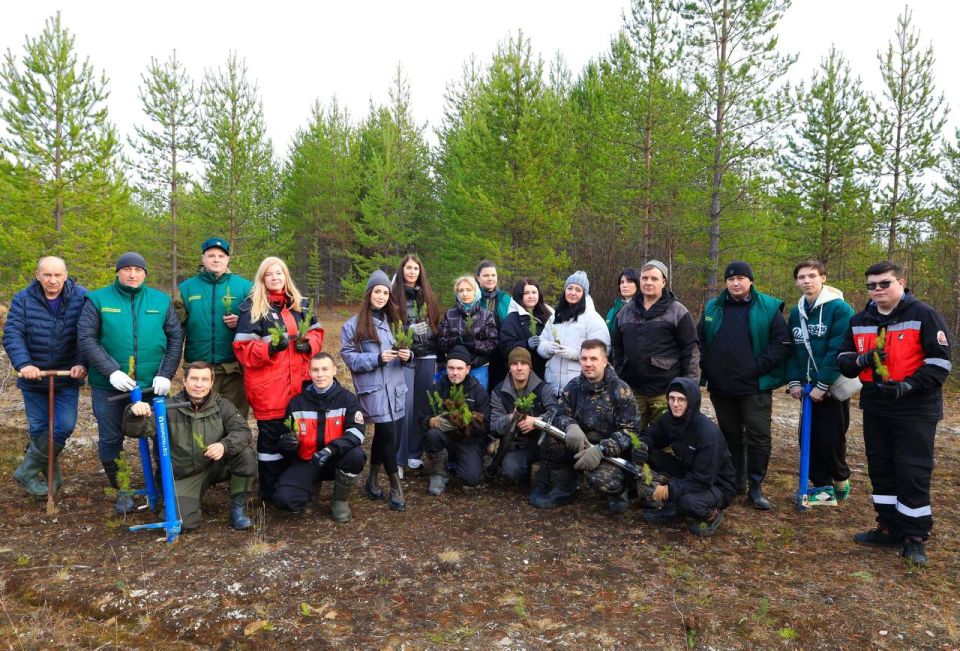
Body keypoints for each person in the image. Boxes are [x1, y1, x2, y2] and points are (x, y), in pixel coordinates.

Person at [837, 261, 952, 566]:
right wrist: (862, 359)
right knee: (881, 469)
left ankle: (914, 537)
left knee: (912, 472)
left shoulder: (923, 315)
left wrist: (909, 386)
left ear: (901, 282)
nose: (877, 290)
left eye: (884, 284)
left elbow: (940, 364)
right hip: (876, 406)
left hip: (915, 408)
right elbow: (844, 359)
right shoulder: (860, 320)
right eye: (871, 286)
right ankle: (888, 527)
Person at [77, 252, 183, 513]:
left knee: (161, 437)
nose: (132, 274)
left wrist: (166, 374)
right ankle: (121, 488)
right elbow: (87, 338)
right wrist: (111, 370)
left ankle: (163, 487)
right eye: (127, 269)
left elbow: (175, 338)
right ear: (118, 272)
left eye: (138, 269)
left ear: (145, 273)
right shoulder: (98, 299)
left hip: (151, 385)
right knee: (111, 439)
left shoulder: (160, 300)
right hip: (108, 386)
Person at [697, 261, 790, 510]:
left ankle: (756, 486)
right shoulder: (713, 307)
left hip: (754, 387)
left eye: (740, 278)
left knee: (759, 437)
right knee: (730, 436)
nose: (735, 283)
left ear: (750, 280)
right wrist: (709, 365)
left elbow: (781, 342)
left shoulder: (768, 307)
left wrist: (757, 368)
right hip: (721, 387)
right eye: (730, 279)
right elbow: (701, 338)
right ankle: (735, 480)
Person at [121, 361, 257, 530]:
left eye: (204, 379)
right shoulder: (168, 408)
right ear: (184, 381)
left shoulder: (222, 405)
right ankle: (188, 501)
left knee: (246, 453)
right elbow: (138, 430)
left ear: (211, 382)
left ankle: (238, 510)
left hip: (215, 465)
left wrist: (224, 446)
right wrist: (134, 413)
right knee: (182, 523)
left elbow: (243, 431)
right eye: (194, 379)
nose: (199, 384)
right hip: (184, 474)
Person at [233, 256, 324, 503]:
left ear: (286, 276)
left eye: (279, 273)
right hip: (269, 389)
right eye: (269, 274)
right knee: (271, 444)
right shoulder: (252, 309)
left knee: (300, 438)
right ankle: (269, 493)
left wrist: (309, 345)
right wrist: (270, 348)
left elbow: (317, 334)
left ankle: (299, 487)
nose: (275, 278)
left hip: (300, 387)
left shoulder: (301, 306)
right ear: (262, 279)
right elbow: (242, 349)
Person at [4, 256, 87, 497]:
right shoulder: (23, 299)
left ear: (66, 274)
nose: (53, 280)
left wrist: (81, 362)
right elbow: (12, 334)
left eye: (57, 275)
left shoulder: (81, 297)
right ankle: (53, 476)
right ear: (38, 275)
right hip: (33, 377)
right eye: (47, 275)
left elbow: (88, 332)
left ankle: (26, 471)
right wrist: (24, 363)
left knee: (63, 426)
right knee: (40, 429)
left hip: (66, 377)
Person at [533, 339, 639, 513]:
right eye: (584, 358)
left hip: (607, 454)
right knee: (549, 440)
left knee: (606, 483)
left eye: (593, 359)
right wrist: (571, 427)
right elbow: (560, 413)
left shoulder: (621, 390)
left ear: (605, 361)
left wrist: (601, 449)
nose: (588, 364)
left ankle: (619, 493)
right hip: (579, 444)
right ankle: (565, 487)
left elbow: (630, 432)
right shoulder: (574, 385)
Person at [340, 270, 411, 512]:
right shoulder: (352, 325)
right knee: (387, 432)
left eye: (385, 292)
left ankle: (372, 478)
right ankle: (395, 486)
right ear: (369, 293)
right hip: (373, 390)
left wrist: (407, 355)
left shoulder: (395, 323)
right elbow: (350, 359)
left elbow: (408, 352)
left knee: (384, 434)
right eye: (377, 292)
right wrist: (376, 358)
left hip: (395, 388)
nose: (381, 296)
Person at [785, 260, 855, 500]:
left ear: (823, 278)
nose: (807, 281)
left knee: (831, 439)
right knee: (808, 440)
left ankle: (840, 479)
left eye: (812, 276)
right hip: (806, 388)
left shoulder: (840, 309)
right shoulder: (797, 312)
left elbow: (838, 348)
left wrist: (822, 384)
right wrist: (794, 380)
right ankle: (821, 489)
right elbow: (792, 350)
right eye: (802, 277)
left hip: (831, 387)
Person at [272, 353, 368, 523]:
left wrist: (331, 449)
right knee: (284, 500)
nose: (320, 374)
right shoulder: (297, 402)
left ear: (334, 370)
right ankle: (311, 488)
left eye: (325, 369)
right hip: (307, 461)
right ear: (309, 372)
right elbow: (284, 434)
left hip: (336, 458)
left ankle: (339, 500)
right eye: (315, 370)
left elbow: (357, 432)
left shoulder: (347, 399)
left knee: (356, 455)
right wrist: (286, 443)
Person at [637, 377, 737, 537]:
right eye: (671, 398)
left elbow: (702, 479)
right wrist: (642, 445)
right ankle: (674, 510)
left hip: (717, 484)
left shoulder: (707, 433)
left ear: (692, 401)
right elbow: (652, 435)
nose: (675, 404)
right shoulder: (670, 419)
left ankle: (712, 514)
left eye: (681, 399)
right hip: (688, 470)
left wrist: (666, 491)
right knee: (649, 454)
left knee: (689, 503)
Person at [613, 260, 699, 431]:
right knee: (632, 438)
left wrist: (688, 387)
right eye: (644, 278)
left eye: (654, 278)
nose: (648, 282)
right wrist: (620, 374)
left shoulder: (678, 311)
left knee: (666, 440)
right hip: (633, 390)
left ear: (664, 282)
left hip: (665, 391)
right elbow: (617, 348)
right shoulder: (625, 312)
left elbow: (691, 350)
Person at [175, 237, 254, 418]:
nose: (216, 259)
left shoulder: (245, 287)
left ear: (227, 259)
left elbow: (259, 322)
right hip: (199, 367)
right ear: (203, 259)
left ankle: (234, 447)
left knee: (234, 417)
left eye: (221, 256)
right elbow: (174, 329)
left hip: (233, 368)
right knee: (199, 418)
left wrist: (242, 320)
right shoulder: (187, 289)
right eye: (211, 255)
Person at [391, 254, 441, 474]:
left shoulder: (427, 296)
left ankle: (414, 454)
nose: (412, 272)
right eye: (408, 268)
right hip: (405, 357)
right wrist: (408, 333)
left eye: (415, 269)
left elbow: (435, 326)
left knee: (421, 407)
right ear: (402, 271)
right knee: (406, 407)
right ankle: (398, 459)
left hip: (427, 356)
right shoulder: (394, 295)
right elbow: (390, 327)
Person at [419, 346, 490, 495]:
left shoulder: (478, 391)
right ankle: (439, 472)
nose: (455, 373)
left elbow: (487, 424)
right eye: (451, 368)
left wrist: (467, 422)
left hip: (468, 441)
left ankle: (471, 464)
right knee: (432, 435)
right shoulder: (436, 389)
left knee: (471, 479)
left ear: (468, 369)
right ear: (446, 368)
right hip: (444, 439)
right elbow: (422, 417)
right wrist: (430, 421)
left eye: (459, 368)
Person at [488, 347, 559, 489]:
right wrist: (511, 418)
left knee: (555, 467)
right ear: (509, 368)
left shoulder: (543, 388)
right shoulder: (499, 391)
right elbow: (494, 425)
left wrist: (536, 421)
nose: (519, 368)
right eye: (514, 364)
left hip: (543, 442)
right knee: (512, 469)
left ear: (530, 367)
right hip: (518, 444)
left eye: (523, 363)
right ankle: (523, 477)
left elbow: (556, 412)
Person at [537, 271, 610, 396]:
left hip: (579, 386)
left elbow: (604, 349)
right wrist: (547, 348)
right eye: (569, 288)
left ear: (584, 293)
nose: (573, 293)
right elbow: (541, 343)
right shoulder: (555, 317)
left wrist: (575, 354)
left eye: (578, 290)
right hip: (552, 385)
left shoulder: (593, 318)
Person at [436, 275, 498, 387]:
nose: (464, 294)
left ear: (476, 292)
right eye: (461, 290)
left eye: (468, 290)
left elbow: (492, 343)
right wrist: (457, 341)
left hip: (478, 367)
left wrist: (474, 344)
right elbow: (441, 341)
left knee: (478, 401)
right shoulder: (450, 314)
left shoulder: (486, 315)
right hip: (454, 369)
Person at [498, 278, 553, 381]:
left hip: (549, 371)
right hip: (524, 375)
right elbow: (505, 348)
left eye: (534, 292)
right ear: (519, 296)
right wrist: (526, 344)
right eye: (526, 293)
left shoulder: (549, 314)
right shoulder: (511, 319)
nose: (531, 296)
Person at [475, 260, 515, 388]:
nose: (490, 278)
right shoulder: (472, 298)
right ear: (478, 278)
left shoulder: (506, 299)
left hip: (501, 352)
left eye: (493, 275)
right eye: (486, 275)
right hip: (480, 352)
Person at [605, 267, 640, 339]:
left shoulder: (642, 308)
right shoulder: (613, 310)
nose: (624, 285)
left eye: (629, 281)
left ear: (638, 284)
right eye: (622, 282)